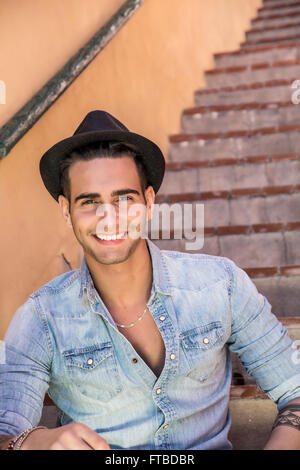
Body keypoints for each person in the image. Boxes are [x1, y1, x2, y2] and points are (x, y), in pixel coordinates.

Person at [0, 110, 300, 450]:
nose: (108, 217)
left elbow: (295, 389)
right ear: (66, 210)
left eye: (124, 198)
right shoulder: (41, 317)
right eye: (89, 202)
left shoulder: (220, 284)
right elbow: (4, 430)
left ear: (150, 202)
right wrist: (27, 443)